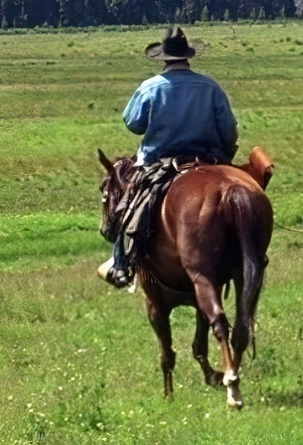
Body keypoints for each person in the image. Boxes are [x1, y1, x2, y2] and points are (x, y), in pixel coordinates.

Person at [98, 26, 239, 287]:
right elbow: (229, 129)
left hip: (159, 161)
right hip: (209, 158)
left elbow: (133, 123)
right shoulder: (211, 87)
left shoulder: (150, 88)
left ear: (163, 58)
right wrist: (226, 153)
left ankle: (120, 265)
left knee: (129, 202)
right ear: (188, 57)